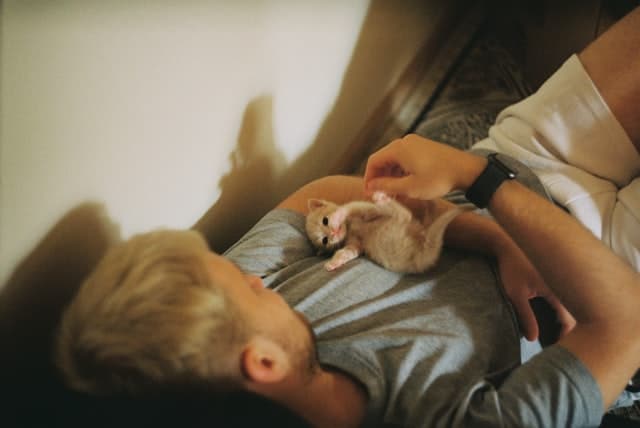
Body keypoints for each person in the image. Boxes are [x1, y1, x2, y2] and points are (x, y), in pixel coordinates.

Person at [54, 7, 640, 428]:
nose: (254, 276)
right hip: (608, 267)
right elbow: (625, 325)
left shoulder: (216, 325)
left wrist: (494, 238)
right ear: (261, 364)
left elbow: (322, 190)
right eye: (246, 285)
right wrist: (472, 180)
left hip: (516, 158)